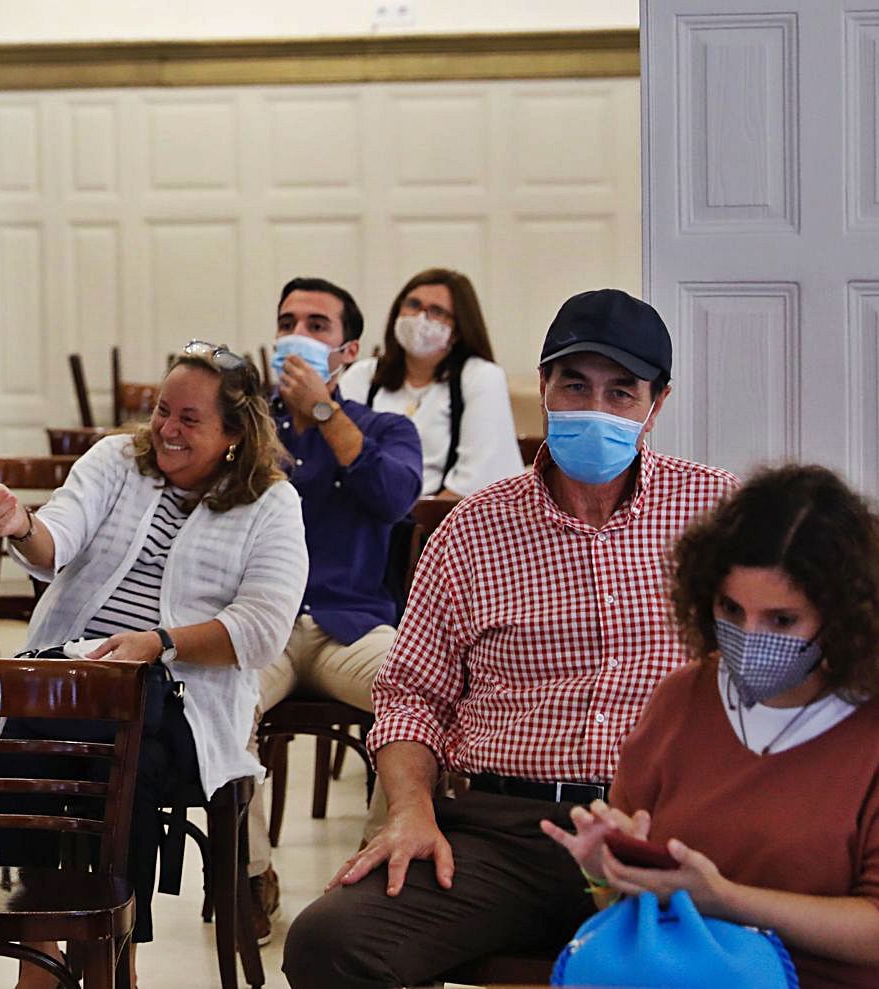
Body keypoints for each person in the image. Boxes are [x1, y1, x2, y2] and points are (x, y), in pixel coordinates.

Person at [282, 288, 739, 988]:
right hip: (504, 830)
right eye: (574, 385)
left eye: (621, 392)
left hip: (666, 826)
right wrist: (408, 811)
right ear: (545, 385)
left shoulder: (719, 515)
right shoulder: (471, 530)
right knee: (331, 941)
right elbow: (409, 695)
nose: (594, 409)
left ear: (657, 405)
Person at [0, 343, 308, 988]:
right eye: (161, 411)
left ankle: (88, 950)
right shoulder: (116, 461)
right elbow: (56, 540)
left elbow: (264, 629)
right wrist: (20, 524)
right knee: (39, 725)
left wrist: (159, 643)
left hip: (185, 701)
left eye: (189, 419)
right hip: (73, 676)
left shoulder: (270, 504)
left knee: (118, 739)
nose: (167, 431)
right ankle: (62, 940)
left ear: (234, 436)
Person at [544, 464, 879, 989]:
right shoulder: (680, 701)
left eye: (782, 620)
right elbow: (623, 903)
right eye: (730, 609)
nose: (748, 637)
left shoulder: (867, 732)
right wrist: (606, 872)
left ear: (843, 617)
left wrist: (722, 897)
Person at [246, 277, 424, 942]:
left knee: (411, 695)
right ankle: (251, 875)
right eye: (286, 320)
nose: (297, 335)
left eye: (315, 325)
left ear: (346, 350)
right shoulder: (244, 426)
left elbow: (394, 497)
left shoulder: (385, 426)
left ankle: (376, 874)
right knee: (215, 701)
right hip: (260, 624)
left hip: (348, 624)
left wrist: (322, 413)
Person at [339, 267, 522, 498]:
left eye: (437, 311)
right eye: (413, 305)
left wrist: (419, 528)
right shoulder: (362, 375)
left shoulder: (481, 376)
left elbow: (476, 481)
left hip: (445, 521)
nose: (420, 318)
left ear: (458, 328)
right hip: (368, 517)